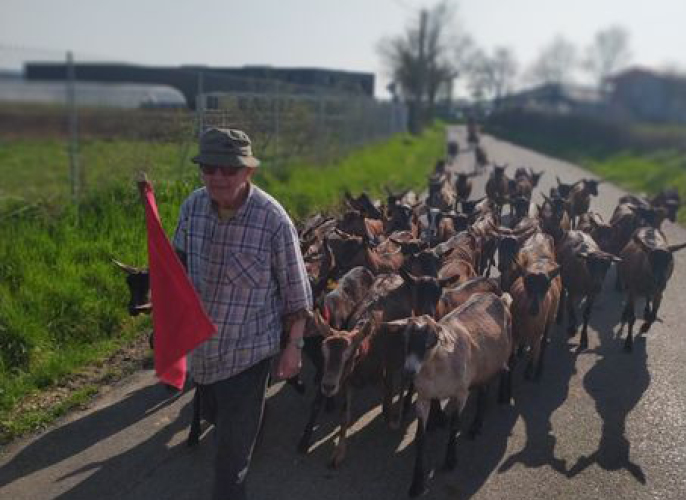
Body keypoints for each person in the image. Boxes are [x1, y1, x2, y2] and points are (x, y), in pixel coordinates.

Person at [172, 127, 312, 500]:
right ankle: (249, 427)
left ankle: (244, 439)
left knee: (229, 462)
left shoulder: (273, 220)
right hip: (203, 351)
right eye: (210, 168)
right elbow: (177, 267)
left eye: (229, 170)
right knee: (216, 421)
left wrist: (293, 348)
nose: (218, 177)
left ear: (248, 172)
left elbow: (297, 294)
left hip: (248, 354)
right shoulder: (192, 207)